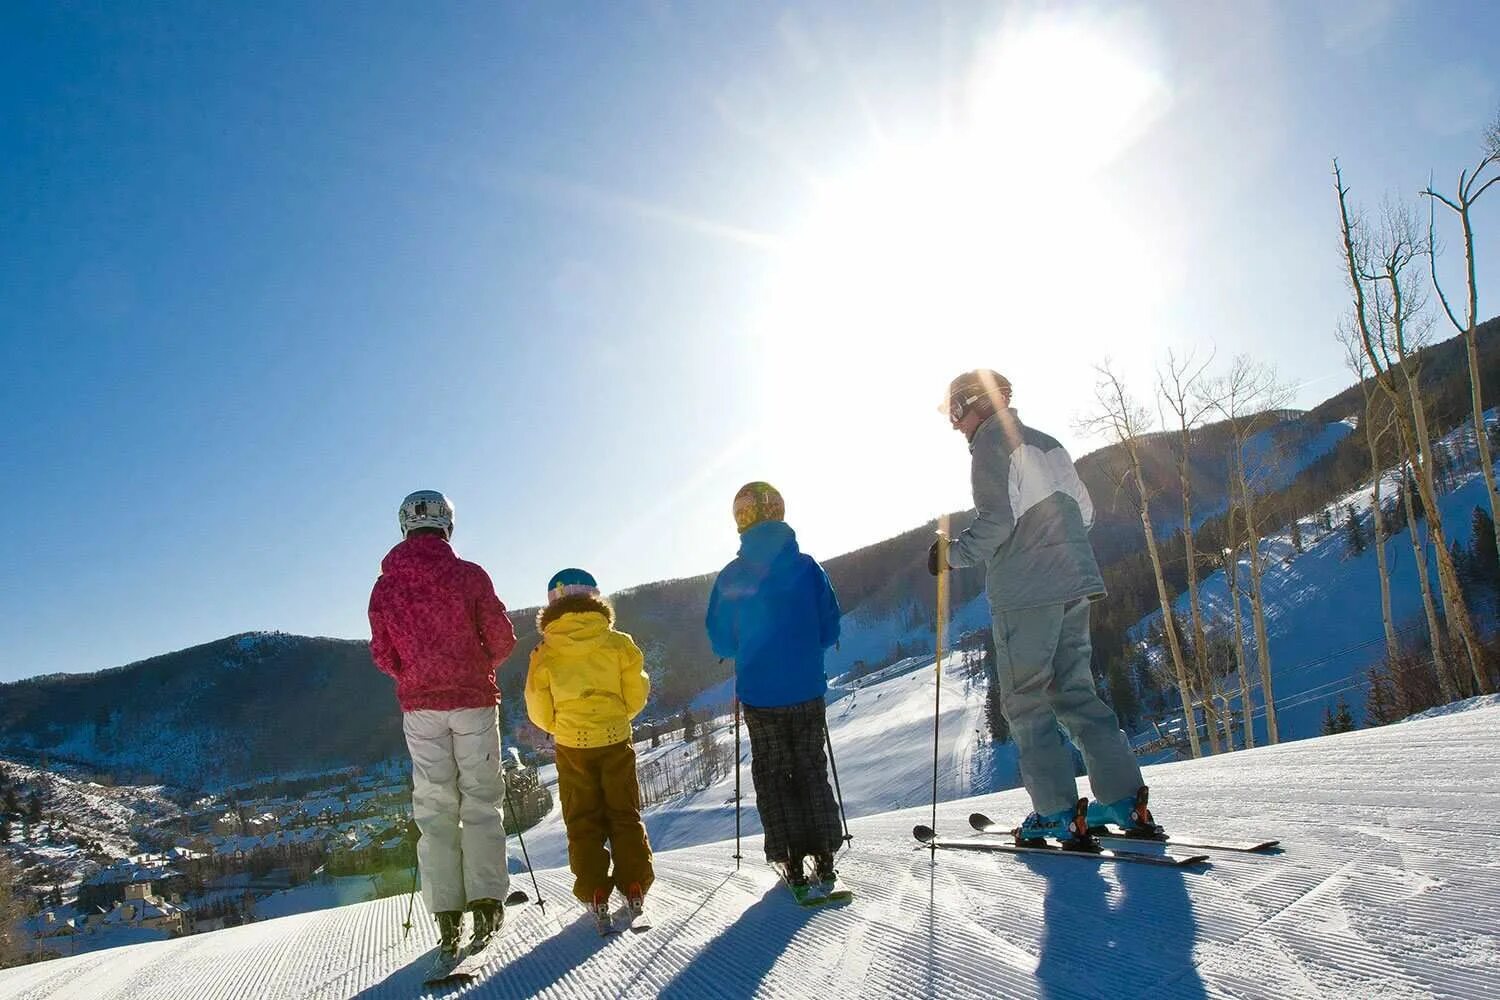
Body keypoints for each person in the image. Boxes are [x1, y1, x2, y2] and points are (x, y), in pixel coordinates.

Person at [931, 371, 1158, 844]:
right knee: (1076, 693)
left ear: (975, 404)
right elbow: (1087, 515)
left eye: (955, 411)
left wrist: (950, 554)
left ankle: (1056, 811)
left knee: (1027, 701)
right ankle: (1123, 800)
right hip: (1074, 583)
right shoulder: (1049, 444)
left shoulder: (992, 444)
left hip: (1028, 593)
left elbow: (996, 521)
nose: (954, 425)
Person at [367, 490, 517, 964]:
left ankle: (447, 912)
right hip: (472, 701)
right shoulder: (470, 575)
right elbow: (501, 639)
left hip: (421, 709)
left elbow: (382, 653)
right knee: (480, 800)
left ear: (404, 528)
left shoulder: (386, 587)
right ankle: (487, 902)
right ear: (447, 525)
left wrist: (415, 675)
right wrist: (473, 666)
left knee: (434, 808)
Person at [705, 482, 845, 898]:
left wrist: (748, 648)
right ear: (780, 512)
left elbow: (721, 640)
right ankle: (824, 854)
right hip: (805, 688)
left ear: (741, 520)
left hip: (760, 695)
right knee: (810, 767)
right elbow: (830, 626)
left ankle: (790, 857)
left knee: (772, 773)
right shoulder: (807, 567)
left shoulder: (732, 576)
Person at [523, 568, 654, 931]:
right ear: (595, 597)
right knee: (624, 813)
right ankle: (634, 884)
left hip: (571, 745)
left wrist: (560, 726)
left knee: (582, 820)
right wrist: (616, 717)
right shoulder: (619, 643)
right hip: (614, 737)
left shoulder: (544, 653)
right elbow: (637, 693)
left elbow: (537, 706)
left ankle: (595, 891)